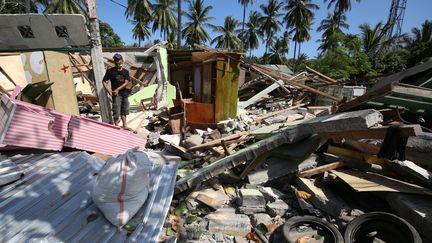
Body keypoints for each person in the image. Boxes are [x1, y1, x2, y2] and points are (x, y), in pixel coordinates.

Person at [103, 53, 130, 129]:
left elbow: (126, 82)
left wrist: (118, 89)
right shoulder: (110, 71)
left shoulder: (125, 72)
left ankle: (125, 126)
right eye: (115, 60)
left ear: (122, 60)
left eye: (118, 59)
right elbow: (104, 81)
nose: (116, 61)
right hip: (116, 95)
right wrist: (108, 91)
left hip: (124, 93)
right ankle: (116, 127)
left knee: (124, 110)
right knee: (116, 110)